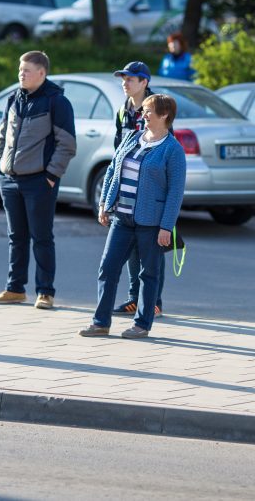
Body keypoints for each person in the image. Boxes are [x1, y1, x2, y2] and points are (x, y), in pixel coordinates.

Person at [79, 94, 186, 339]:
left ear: (164, 116)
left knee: (148, 274)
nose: (143, 115)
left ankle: (142, 324)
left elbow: (175, 193)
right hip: (122, 218)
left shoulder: (173, 150)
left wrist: (166, 227)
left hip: (151, 223)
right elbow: (111, 172)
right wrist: (104, 204)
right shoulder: (132, 137)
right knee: (108, 268)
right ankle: (100, 322)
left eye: (149, 111)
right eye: (144, 111)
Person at [0, 51, 77, 310]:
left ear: (42, 73)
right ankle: (15, 289)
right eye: (20, 69)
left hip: (39, 182)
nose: (21, 74)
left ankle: (45, 292)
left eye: (27, 70)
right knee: (16, 236)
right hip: (10, 180)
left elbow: (67, 144)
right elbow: (3, 134)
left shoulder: (57, 102)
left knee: (41, 237)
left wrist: (50, 176)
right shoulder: (13, 98)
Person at [109, 61, 167, 318]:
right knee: (131, 245)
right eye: (123, 79)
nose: (125, 83)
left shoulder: (157, 109)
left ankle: (154, 301)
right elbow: (117, 150)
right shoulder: (123, 110)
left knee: (151, 246)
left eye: (131, 79)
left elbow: (165, 148)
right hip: (127, 188)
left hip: (150, 189)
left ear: (144, 82)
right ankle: (134, 297)